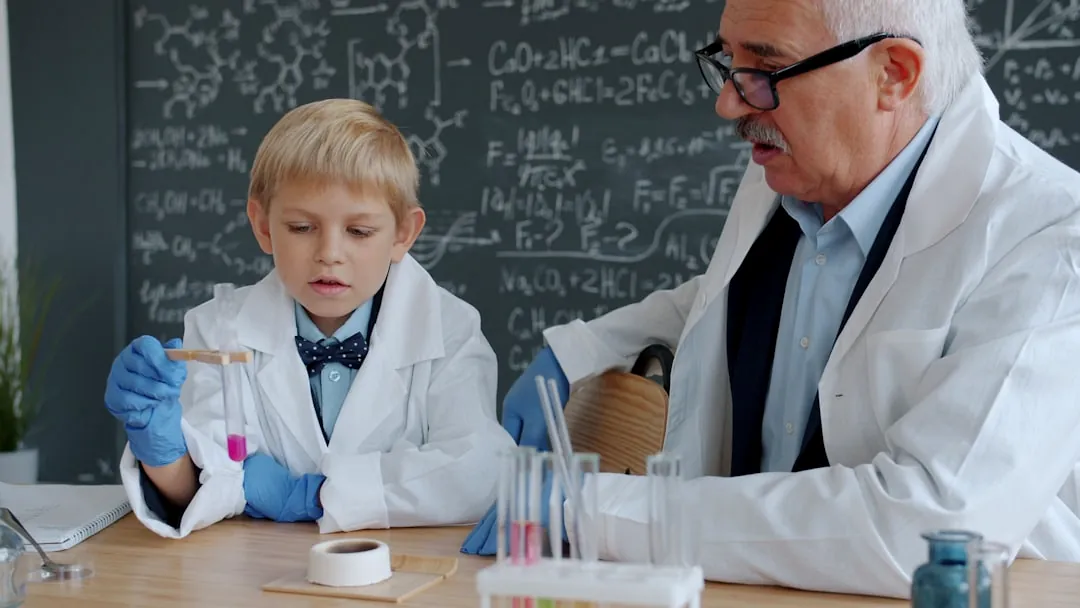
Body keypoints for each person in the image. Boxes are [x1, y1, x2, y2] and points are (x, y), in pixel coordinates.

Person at [463, 0, 1080, 599]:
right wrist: (582, 352)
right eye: (728, 61)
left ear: (893, 74)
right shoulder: (800, 166)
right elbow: (732, 298)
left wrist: (594, 509)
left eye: (767, 68)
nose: (729, 102)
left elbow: (930, 526)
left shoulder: (1048, 238)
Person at [105, 98, 516, 539]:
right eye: (302, 227)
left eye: (359, 231)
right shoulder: (219, 330)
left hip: (400, 568)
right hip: (256, 569)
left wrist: (317, 496)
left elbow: (478, 472)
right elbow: (207, 487)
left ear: (403, 234)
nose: (329, 254)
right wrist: (162, 452)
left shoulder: (448, 329)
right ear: (263, 226)